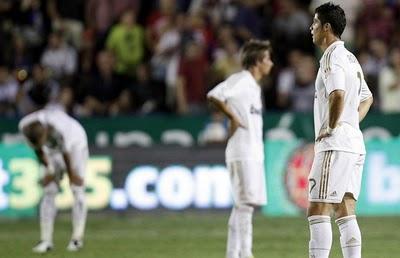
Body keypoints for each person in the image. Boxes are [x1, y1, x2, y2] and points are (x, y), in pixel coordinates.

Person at [308, 3, 373, 258]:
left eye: (314, 23)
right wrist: (350, 122)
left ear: (326, 27)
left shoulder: (331, 57)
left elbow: (337, 94)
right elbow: (367, 98)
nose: (310, 28)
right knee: (345, 210)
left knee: (318, 208)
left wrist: (333, 125)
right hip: (354, 142)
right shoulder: (351, 58)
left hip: (335, 144)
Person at [207, 39, 273, 258]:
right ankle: (245, 253)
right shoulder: (241, 79)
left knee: (243, 205)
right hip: (242, 151)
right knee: (245, 205)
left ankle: (233, 253)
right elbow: (214, 95)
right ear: (256, 62)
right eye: (267, 59)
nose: (271, 63)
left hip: (252, 152)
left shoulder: (253, 86)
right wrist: (232, 116)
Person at [19, 107, 88, 253]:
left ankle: (77, 240)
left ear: (45, 133)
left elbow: (65, 153)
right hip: (53, 148)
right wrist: (50, 170)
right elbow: (38, 150)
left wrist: (72, 176)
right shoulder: (24, 126)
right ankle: (46, 241)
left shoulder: (60, 130)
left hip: (75, 142)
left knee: (77, 188)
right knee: (49, 190)